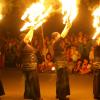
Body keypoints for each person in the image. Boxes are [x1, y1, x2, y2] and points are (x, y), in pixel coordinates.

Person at [19, 36, 41, 100]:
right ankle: (34, 97)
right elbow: (27, 38)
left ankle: (28, 95)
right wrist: (31, 29)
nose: (29, 39)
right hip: (29, 66)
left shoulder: (27, 46)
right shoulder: (22, 44)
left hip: (30, 65)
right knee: (33, 81)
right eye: (27, 38)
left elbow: (35, 51)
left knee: (28, 81)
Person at [52, 32, 70, 100]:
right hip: (59, 63)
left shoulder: (58, 43)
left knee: (62, 79)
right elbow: (62, 36)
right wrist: (67, 27)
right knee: (61, 80)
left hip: (62, 62)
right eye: (58, 35)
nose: (60, 35)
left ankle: (59, 94)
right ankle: (61, 96)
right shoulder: (55, 43)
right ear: (55, 37)